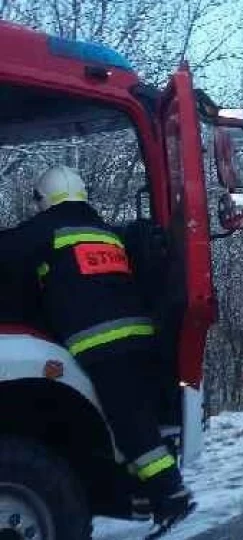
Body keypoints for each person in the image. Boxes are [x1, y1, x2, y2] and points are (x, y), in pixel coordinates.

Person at [0, 166, 194, 534]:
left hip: (100, 342)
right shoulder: (105, 233)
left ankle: (171, 493)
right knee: (130, 418)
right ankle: (140, 495)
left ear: (44, 199)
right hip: (140, 337)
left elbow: (8, 252)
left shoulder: (48, 229)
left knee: (129, 424)